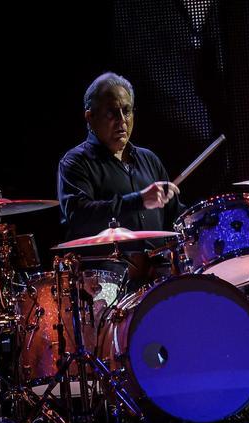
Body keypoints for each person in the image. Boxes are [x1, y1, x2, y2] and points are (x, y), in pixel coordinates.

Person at [57, 72, 180, 280]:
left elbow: (174, 216)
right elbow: (79, 216)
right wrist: (139, 201)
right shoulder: (75, 162)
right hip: (107, 279)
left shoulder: (149, 159)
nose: (122, 120)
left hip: (159, 275)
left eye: (127, 111)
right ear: (90, 117)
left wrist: (203, 218)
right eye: (112, 113)